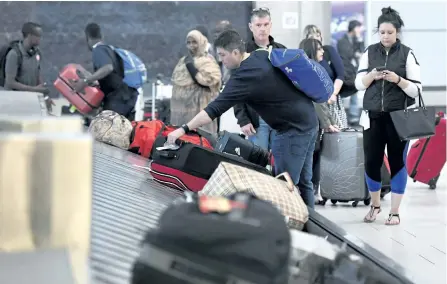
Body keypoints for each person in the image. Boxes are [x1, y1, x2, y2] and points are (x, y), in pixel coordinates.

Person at [167, 30, 318, 208]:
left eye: (223, 55)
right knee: (304, 182)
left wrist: (183, 129)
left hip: (292, 130)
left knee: (284, 185)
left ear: (236, 53)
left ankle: (289, 229)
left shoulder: (243, 76)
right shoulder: (261, 55)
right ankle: (313, 228)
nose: (222, 60)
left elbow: (213, 109)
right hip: (309, 119)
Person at [355, 7, 421, 225]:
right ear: (378, 32)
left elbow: (416, 90)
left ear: (397, 33)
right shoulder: (369, 52)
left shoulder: (407, 54)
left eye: (390, 32)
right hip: (373, 116)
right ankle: (375, 206)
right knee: (371, 162)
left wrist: (397, 79)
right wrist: (372, 76)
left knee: (397, 162)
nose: (385, 36)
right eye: (382, 32)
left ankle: (394, 211)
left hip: (399, 117)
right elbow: (357, 84)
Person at [234, 7, 286, 151]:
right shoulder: (243, 53)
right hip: (256, 119)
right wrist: (242, 119)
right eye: (258, 25)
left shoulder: (281, 51)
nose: (262, 29)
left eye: (265, 24)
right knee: (258, 162)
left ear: (270, 25)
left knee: (280, 163)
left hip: (280, 117)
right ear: (251, 27)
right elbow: (235, 89)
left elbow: (290, 85)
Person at [299, 38, 341, 203]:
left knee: (311, 157)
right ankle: (311, 195)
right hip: (311, 123)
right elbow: (318, 102)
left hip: (308, 122)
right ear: (311, 51)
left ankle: (310, 192)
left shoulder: (304, 69)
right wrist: (327, 123)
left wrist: (329, 121)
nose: (323, 52)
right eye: (319, 49)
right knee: (312, 157)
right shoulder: (311, 71)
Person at [71, 23, 138, 120]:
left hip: (118, 99)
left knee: (110, 131)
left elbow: (108, 68)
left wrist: (86, 81)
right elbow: (113, 75)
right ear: (102, 36)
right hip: (127, 97)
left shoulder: (98, 49)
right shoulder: (109, 49)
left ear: (87, 37)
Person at [170, 30, 221, 133]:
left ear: (201, 42)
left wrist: (192, 68)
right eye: (188, 42)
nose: (191, 45)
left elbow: (210, 80)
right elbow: (176, 80)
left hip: (199, 108)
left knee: (201, 139)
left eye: (194, 42)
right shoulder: (183, 61)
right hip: (181, 110)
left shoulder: (207, 60)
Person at [303, 25, 348, 129]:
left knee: (336, 130)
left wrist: (332, 93)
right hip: (314, 102)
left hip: (331, 97)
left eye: (318, 35)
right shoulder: (303, 57)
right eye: (311, 35)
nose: (316, 38)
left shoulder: (328, 51)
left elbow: (341, 74)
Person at [3, 22, 55, 112]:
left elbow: (37, 76)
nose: (40, 39)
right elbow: (10, 82)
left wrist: (45, 97)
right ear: (30, 36)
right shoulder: (14, 54)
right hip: (14, 103)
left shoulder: (37, 53)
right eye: (38, 35)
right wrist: (33, 89)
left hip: (30, 102)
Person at [337, 20, 365, 125]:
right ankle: (340, 115)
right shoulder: (342, 41)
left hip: (355, 69)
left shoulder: (356, 40)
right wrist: (355, 54)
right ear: (353, 28)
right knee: (342, 92)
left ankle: (354, 117)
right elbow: (345, 54)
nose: (359, 30)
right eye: (358, 27)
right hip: (345, 70)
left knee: (355, 91)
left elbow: (362, 51)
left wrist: (359, 39)